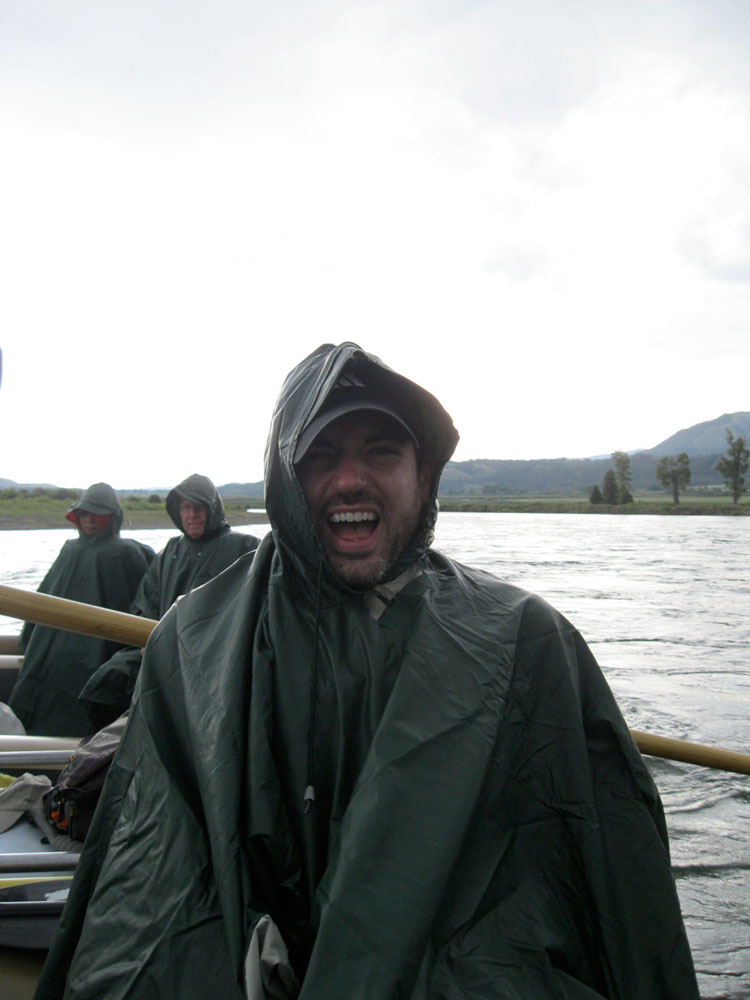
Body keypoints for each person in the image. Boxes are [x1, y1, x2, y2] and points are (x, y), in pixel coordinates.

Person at [36, 344, 698, 999]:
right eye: (321, 456)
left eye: (381, 452)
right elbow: (148, 902)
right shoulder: (192, 645)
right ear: (286, 481)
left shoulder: (531, 642)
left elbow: (612, 906)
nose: (350, 479)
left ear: (423, 474)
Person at [79, 473, 260, 730]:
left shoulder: (244, 547)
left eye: (199, 507)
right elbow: (145, 604)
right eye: (186, 507)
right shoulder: (169, 553)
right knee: (107, 680)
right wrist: (147, 639)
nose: (192, 514)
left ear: (212, 509)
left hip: (216, 654)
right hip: (159, 646)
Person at [8, 483, 154, 738]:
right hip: (55, 657)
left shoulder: (125, 553)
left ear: (111, 518)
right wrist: (29, 640)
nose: (89, 521)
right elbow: (43, 600)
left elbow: (144, 605)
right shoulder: (70, 550)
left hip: (100, 655)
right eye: (84, 514)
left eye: (97, 515)